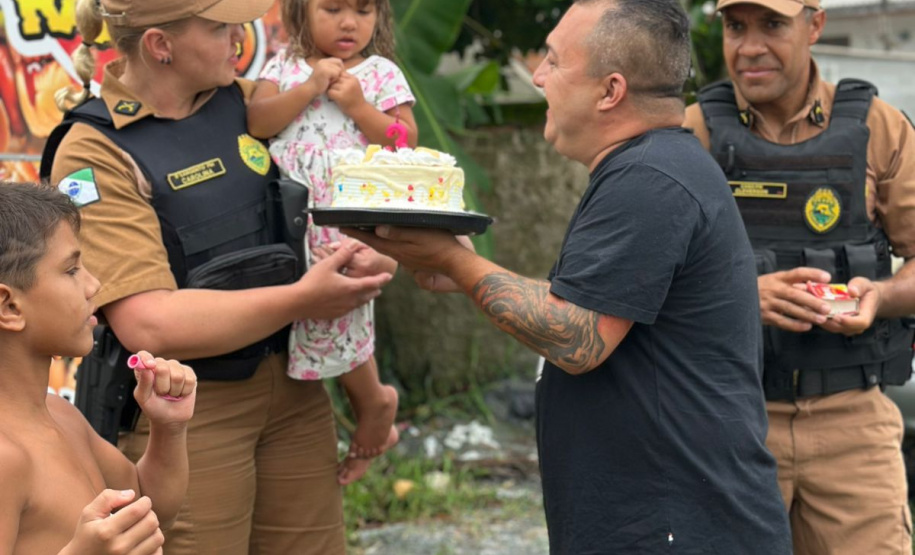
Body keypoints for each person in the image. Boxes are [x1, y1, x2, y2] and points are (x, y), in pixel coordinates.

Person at [348, 0, 792, 552]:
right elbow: (590, 306)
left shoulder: (648, 178)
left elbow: (579, 338)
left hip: (676, 528)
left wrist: (456, 262)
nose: (536, 76)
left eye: (553, 62)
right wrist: (462, 271)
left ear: (610, 91)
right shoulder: (651, 166)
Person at [41, 0, 393, 553]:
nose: (239, 38)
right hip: (183, 413)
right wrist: (303, 299)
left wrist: (376, 250)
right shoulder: (95, 148)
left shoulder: (252, 104)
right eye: (218, 27)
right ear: (161, 45)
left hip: (294, 389)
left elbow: (348, 174)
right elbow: (149, 323)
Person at [684, 1, 915, 553]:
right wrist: (740, 296)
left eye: (772, 25)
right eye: (736, 27)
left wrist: (878, 296)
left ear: (815, 26)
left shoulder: (877, 128)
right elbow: (643, 282)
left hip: (850, 425)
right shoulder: (691, 134)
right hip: (725, 423)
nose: (750, 47)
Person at [246, 0, 413, 485]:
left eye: (362, 11)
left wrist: (358, 106)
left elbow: (405, 139)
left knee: (339, 309)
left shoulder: (380, 73)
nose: (348, 23)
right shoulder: (282, 65)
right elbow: (258, 121)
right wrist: (310, 86)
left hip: (345, 222)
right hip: (286, 218)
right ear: (299, 12)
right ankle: (365, 405)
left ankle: (374, 403)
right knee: (304, 315)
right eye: (333, 8)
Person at [0, 181, 197, 555]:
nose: (94, 285)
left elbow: (148, 506)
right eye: (72, 270)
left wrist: (168, 427)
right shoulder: (4, 458)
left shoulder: (60, 414)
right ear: (9, 307)